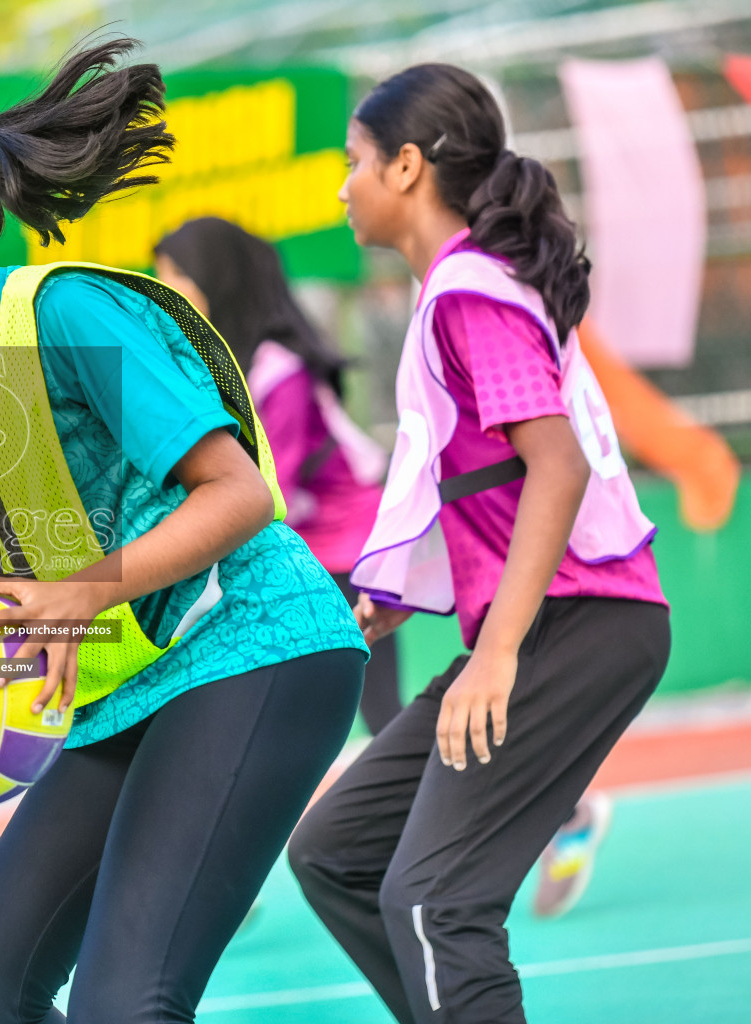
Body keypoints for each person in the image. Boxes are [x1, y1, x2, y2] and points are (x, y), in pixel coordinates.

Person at [0, 38, 369, 1024]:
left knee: (126, 1005)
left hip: (255, 648)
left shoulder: (72, 313)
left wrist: (80, 594)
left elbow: (240, 495)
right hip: (120, 685)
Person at [286, 64, 670, 1024]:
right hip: (549, 621)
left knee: (435, 899)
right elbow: (472, 480)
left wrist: (495, 654)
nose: (344, 186)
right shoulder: (459, 292)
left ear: (409, 167)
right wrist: (399, 593)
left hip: (578, 622)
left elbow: (559, 465)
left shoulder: (468, 291)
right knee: (335, 851)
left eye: (355, 163)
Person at [154, 218, 400, 733]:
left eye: (175, 275)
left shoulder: (278, 372)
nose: (163, 290)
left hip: (349, 552)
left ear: (216, 279)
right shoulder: (220, 367)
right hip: (306, 551)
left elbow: (267, 494)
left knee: (378, 711)